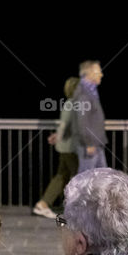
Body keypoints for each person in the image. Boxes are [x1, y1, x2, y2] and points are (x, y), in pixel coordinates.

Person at [33, 76, 80, 219]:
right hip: (70, 148)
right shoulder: (74, 105)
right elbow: (66, 125)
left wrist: (57, 136)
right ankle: (76, 210)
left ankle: (43, 204)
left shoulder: (71, 104)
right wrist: (58, 136)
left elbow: (65, 126)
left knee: (61, 176)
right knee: (79, 177)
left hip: (65, 147)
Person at [68, 60, 107, 170]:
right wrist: (88, 143)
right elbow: (82, 120)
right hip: (89, 143)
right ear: (89, 73)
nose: (101, 74)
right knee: (86, 177)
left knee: (100, 175)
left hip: (94, 142)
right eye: (98, 72)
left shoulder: (89, 91)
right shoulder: (83, 93)